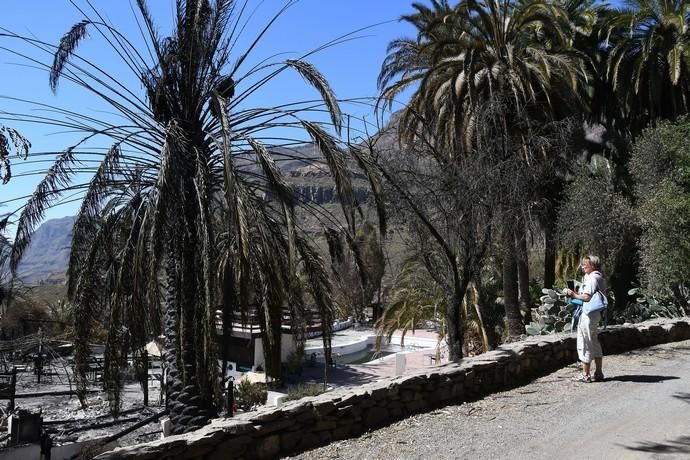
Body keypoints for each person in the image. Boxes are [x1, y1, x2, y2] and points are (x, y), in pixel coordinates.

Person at [564, 255, 606, 383]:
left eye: (584, 264)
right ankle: (598, 372)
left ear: (592, 265)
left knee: (585, 342)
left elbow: (586, 297)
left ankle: (585, 374)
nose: (582, 266)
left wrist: (572, 294)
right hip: (595, 314)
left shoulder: (592, 279)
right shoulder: (599, 277)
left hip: (588, 314)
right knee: (594, 341)